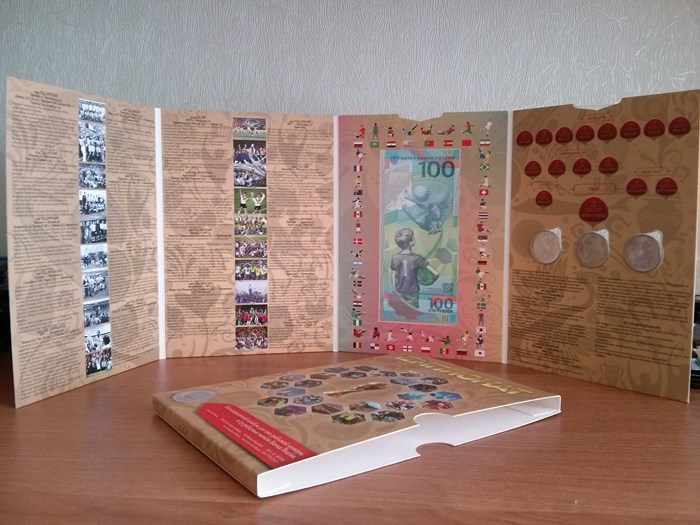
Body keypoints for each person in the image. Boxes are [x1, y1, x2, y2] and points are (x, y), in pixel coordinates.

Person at [390, 228, 438, 309]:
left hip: (399, 292)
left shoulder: (395, 258)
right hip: (413, 292)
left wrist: (395, 290)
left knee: (401, 312)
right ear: (411, 241)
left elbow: (393, 276)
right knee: (412, 312)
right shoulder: (417, 258)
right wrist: (429, 281)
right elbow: (436, 273)